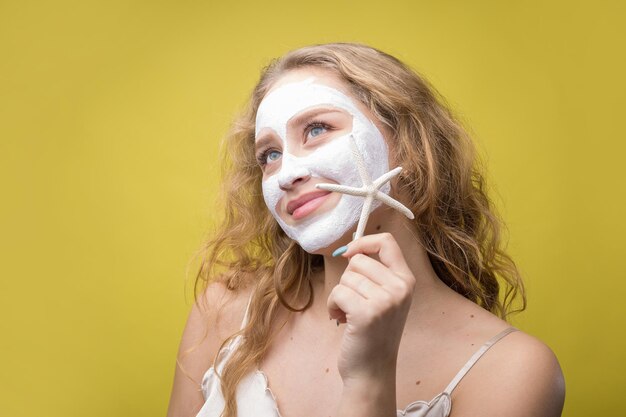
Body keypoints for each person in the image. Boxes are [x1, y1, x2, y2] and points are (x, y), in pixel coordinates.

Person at [166, 43, 565, 417]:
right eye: (270, 155)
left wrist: (370, 375)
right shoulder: (226, 311)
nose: (286, 173)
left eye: (317, 129)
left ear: (410, 145)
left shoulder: (512, 368)